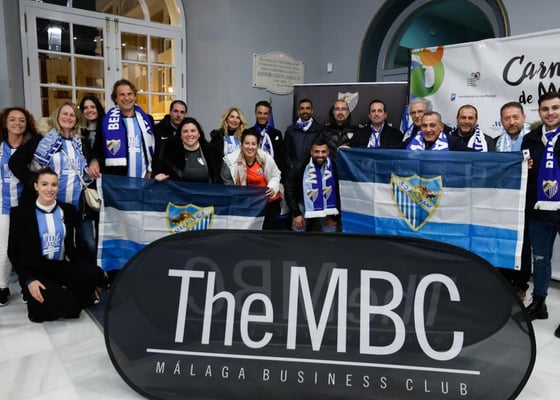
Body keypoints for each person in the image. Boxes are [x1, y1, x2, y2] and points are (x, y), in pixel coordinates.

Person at [8, 167, 104, 322]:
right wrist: (29, 280)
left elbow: (78, 246)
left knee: (95, 273)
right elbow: (13, 252)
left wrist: (82, 268)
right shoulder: (20, 213)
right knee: (55, 312)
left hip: (59, 266)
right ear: (36, 186)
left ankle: (64, 295)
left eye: (54, 185)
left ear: (58, 187)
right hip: (35, 271)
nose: (49, 189)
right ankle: (46, 298)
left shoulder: (67, 210)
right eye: (44, 184)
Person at [521, 91, 560, 321]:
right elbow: (525, 171)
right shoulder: (530, 138)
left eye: (555, 108)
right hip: (538, 210)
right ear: (539, 112)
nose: (550, 113)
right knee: (540, 258)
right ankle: (539, 303)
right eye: (545, 109)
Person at [0, 107, 38, 306]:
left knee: (27, 248)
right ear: (5, 123)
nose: (17, 123)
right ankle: (2, 287)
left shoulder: (33, 146)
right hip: (3, 205)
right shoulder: (0, 147)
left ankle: (27, 286)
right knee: (4, 249)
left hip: (27, 205)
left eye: (22, 120)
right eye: (12, 119)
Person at [495, 102, 531, 300]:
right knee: (502, 239)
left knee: (522, 243)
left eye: (515, 117)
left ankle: (520, 284)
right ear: (501, 121)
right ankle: (502, 280)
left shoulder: (534, 142)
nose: (511, 122)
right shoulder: (495, 143)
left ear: (524, 118)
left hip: (526, 201)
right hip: (502, 200)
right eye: (507, 118)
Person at [94, 79, 155, 178]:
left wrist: (152, 169)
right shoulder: (104, 121)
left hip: (144, 180)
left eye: (130, 94)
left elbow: (154, 147)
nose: (126, 98)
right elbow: (97, 148)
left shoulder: (148, 120)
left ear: (135, 96)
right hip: (117, 180)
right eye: (122, 94)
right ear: (115, 98)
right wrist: (94, 161)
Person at [221, 129, 281, 230]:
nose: (250, 147)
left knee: (265, 234)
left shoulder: (265, 158)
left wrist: (272, 187)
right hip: (245, 205)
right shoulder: (230, 162)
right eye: (247, 143)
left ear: (258, 145)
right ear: (241, 144)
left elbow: (276, 175)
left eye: (253, 144)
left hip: (268, 203)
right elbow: (229, 188)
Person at [285, 137, 339, 232]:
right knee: (298, 229)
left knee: (330, 231)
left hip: (328, 204)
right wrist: (296, 213)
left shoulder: (334, 167)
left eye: (323, 152)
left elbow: (340, 191)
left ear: (328, 152)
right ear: (311, 152)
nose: (320, 155)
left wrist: (335, 218)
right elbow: (290, 190)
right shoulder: (300, 166)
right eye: (316, 152)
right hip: (304, 201)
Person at [78, 95, 105, 261]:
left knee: (103, 229)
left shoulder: (107, 128)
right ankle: (90, 265)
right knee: (86, 235)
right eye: (85, 108)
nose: (89, 110)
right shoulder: (77, 131)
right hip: (83, 187)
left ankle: (102, 265)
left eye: (92, 107)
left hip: (103, 184)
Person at [153, 117, 221, 183]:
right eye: (185, 131)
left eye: (193, 131)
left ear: (199, 134)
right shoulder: (169, 151)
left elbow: (217, 178)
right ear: (180, 135)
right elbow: (158, 171)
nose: (189, 134)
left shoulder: (211, 151)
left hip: (206, 190)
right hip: (177, 190)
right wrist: (159, 175)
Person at [284, 98, 322, 169]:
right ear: (298, 111)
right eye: (302, 108)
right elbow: (286, 151)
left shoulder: (320, 129)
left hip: (313, 170)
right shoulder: (290, 130)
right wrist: (291, 166)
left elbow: (322, 151)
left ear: (312, 111)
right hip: (294, 171)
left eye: (308, 108)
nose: (305, 111)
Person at [251, 100, 286, 175]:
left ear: (269, 115)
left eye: (265, 113)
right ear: (255, 113)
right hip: (253, 174)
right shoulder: (249, 133)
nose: (262, 116)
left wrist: (281, 177)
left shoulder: (277, 133)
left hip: (273, 174)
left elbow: (281, 158)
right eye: (260, 113)